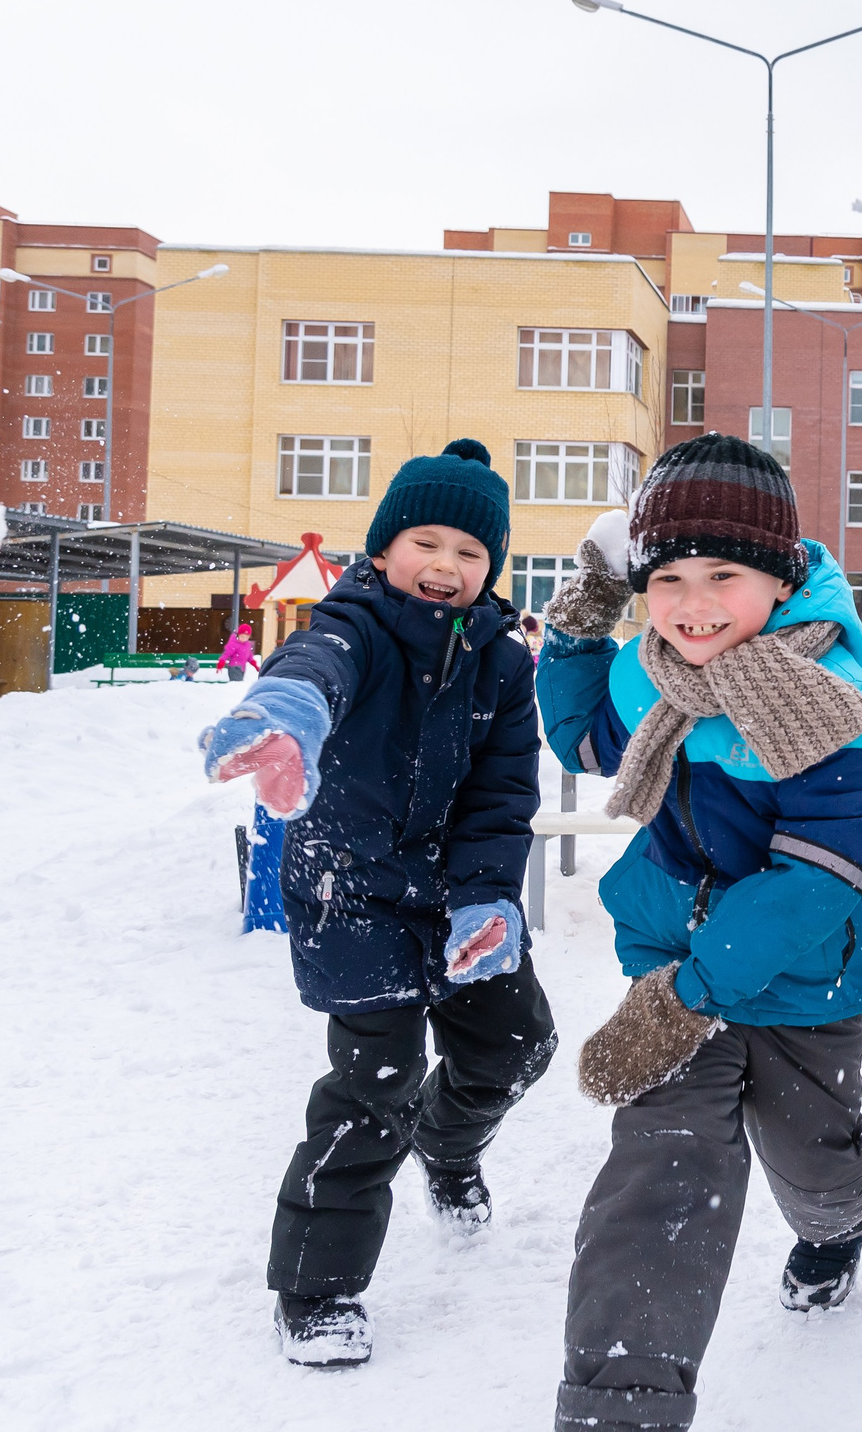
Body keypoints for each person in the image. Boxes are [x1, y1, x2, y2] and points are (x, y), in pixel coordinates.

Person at [540, 433, 862, 1432]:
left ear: (780, 582)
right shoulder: (651, 673)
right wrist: (579, 620)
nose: (693, 601)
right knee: (660, 1168)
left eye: (724, 574)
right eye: (667, 577)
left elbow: (816, 877)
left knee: (812, 1161)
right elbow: (578, 737)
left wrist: (688, 996)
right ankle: (623, 1404)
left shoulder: (836, 708)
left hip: (796, 982)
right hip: (667, 958)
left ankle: (842, 1221)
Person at [196, 437, 556, 1368]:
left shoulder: (503, 667)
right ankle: (316, 1290)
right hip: (349, 894)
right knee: (375, 1084)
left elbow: (501, 794)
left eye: (472, 553)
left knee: (519, 1042)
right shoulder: (351, 624)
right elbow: (315, 671)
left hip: (452, 897)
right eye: (426, 542)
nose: (446, 565)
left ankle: (449, 1145)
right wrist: (289, 718)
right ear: (385, 548)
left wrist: (489, 898)